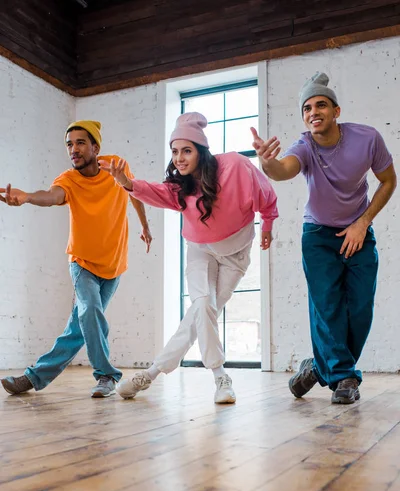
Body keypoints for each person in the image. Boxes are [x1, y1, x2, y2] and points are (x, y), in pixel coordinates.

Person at [101, 112, 278, 403]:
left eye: (186, 150)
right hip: (200, 250)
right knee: (203, 306)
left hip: (236, 254)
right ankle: (221, 377)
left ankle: (153, 372)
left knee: (199, 315)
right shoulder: (179, 187)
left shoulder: (235, 166)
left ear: (201, 151)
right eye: (174, 151)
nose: (179, 158)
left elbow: (267, 197)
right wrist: (125, 181)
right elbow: (153, 191)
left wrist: (268, 227)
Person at [252, 72, 396, 404]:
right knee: (327, 307)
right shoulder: (304, 146)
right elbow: (283, 169)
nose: (313, 112)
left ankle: (318, 369)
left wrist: (364, 222)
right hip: (317, 236)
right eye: (306, 108)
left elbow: (389, 181)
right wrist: (266, 162)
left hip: (359, 231)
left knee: (360, 309)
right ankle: (344, 378)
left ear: (336, 111)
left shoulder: (367, 139)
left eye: (320, 105)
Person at [0, 120, 152, 398]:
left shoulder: (116, 166)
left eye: (80, 142)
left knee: (81, 325)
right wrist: (27, 198)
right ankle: (107, 375)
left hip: (114, 263)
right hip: (81, 262)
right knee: (89, 310)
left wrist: (145, 225)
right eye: (69, 144)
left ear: (95, 147)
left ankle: (34, 377)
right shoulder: (68, 180)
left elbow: (134, 192)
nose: (73, 149)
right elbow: (51, 195)